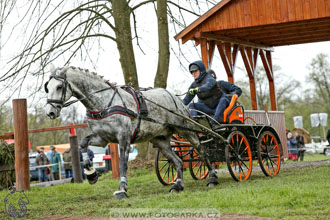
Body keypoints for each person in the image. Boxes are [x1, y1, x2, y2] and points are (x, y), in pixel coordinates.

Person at [183, 61, 242, 129]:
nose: (194, 74)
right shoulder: (194, 85)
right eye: (192, 72)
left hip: (221, 107)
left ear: (201, 71)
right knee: (191, 105)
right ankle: (195, 123)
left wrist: (233, 96)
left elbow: (208, 86)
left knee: (223, 99)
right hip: (209, 108)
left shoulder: (211, 80)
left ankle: (215, 123)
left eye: (195, 71)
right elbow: (186, 100)